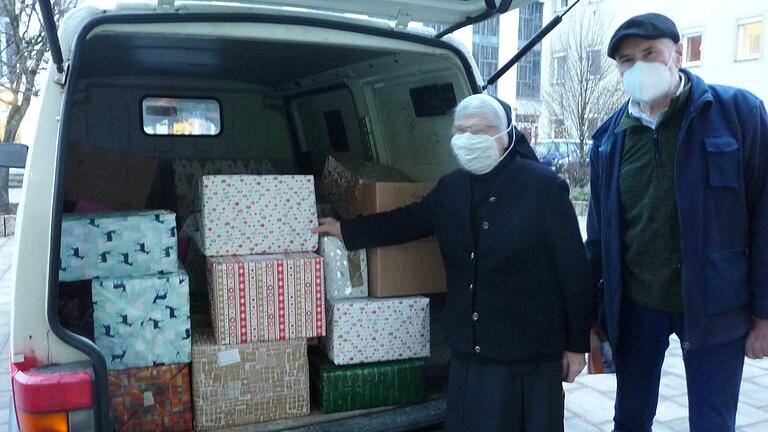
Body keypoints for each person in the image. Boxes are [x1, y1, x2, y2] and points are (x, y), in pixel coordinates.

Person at [313, 94, 592, 431]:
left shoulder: (544, 188)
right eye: (460, 130)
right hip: (470, 351)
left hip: (528, 356)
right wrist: (346, 230)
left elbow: (574, 273)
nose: (468, 137)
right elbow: (406, 221)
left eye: (480, 129)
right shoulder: (451, 188)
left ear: (505, 134)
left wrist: (577, 346)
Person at [586, 12, 768, 432]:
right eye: (627, 61)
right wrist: (592, 318)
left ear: (678, 53)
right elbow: (598, 239)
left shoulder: (738, 114)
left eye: (649, 53)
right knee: (630, 418)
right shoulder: (608, 140)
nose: (639, 66)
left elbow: (763, 216)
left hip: (715, 305)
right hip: (636, 307)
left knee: (712, 421)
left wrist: (763, 315)